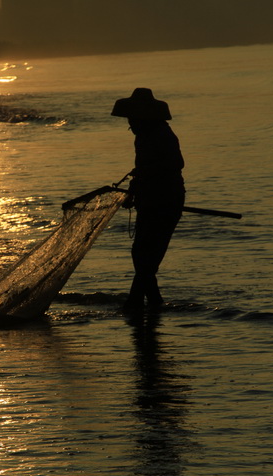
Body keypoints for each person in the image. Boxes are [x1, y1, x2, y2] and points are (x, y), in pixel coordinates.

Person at [111, 88, 185, 310]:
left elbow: (176, 164)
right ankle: (154, 301)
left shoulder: (162, 134)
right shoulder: (143, 136)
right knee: (141, 252)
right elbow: (141, 169)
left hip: (166, 198)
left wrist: (146, 174)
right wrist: (134, 191)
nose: (130, 123)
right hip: (149, 199)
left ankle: (135, 302)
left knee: (149, 254)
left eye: (133, 118)